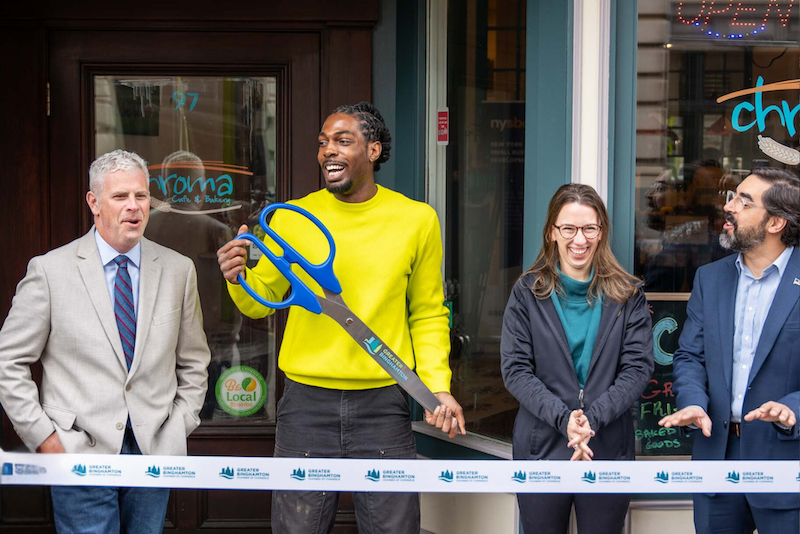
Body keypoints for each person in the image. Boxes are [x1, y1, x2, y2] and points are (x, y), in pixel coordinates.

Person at [217, 102, 466, 534]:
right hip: (305, 406)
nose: (328, 151)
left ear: (374, 150)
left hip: (384, 404)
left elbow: (427, 314)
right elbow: (263, 303)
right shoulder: (293, 219)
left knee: (393, 529)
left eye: (342, 141)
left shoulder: (417, 220)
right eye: (323, 142)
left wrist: (437, 387)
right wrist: (238, 278)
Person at [0, 149, 211, 534]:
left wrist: (179, 424)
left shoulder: (179, 269)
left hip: (154, 450)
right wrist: (45, 438)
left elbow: (194, 362)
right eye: (120, 197)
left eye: (141, 196)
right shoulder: (49, 271)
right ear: (94, 203)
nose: (134, 207)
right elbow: (7, 362)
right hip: (76, 450)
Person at [501, 183, 654, 534]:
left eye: (589, 228)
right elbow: (516, 370)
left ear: (601, 233)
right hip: (541, 446)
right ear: (552, 232)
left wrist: (591, 419)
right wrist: (564, 419)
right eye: (568, 228)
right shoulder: (527, 293)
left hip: (607, 446)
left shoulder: (628, 294)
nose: (579, 240)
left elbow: (637, 368)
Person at [659, 167, 800, 534]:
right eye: (733, 196)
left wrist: (793, 408)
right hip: (716, 457)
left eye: (744, 201)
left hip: (787, 461)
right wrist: (691, 401)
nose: (730, 207)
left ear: (776, 223)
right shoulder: (711, 278)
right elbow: (690, 356)